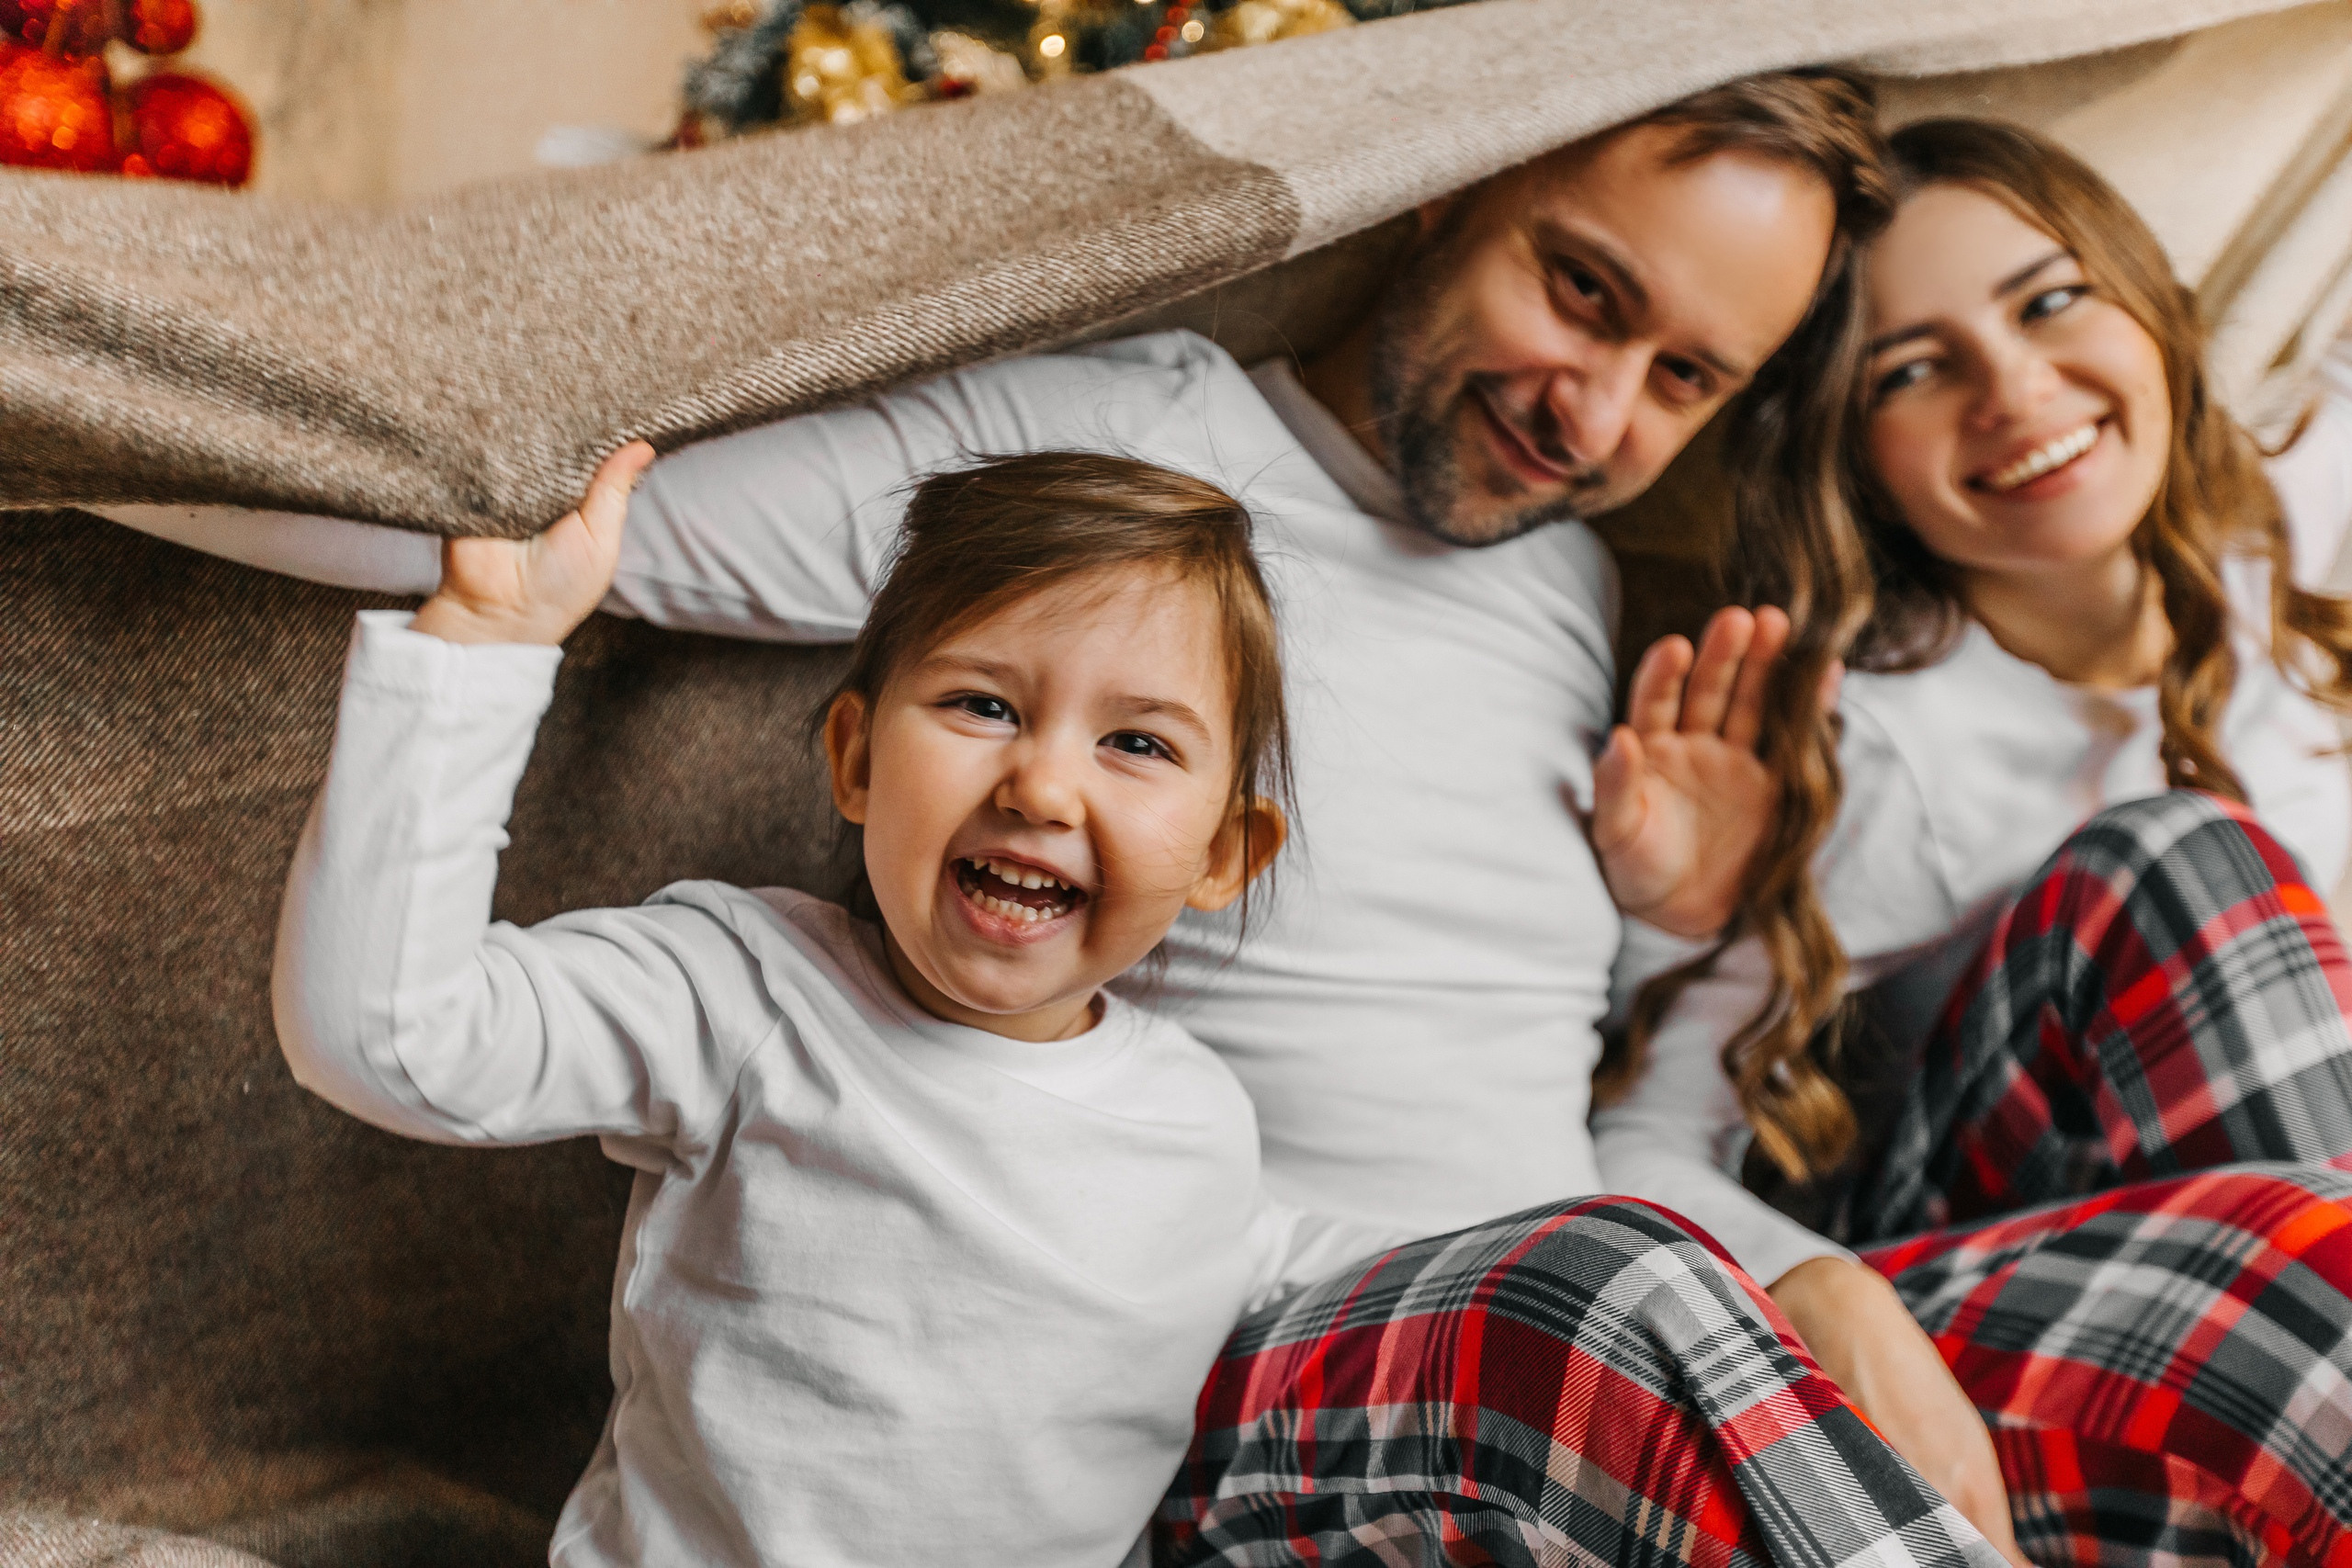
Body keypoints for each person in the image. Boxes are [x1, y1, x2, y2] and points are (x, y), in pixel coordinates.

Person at [130, 74, 2003, 1568]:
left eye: (1684, 379)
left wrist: (1678, 933)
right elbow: (536, 518)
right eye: (1581, 292)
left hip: (1562, 1307)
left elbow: (1527, 1105)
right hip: (1314, 1379)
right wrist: (92, 417)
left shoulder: (1570, 584)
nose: (1589, 414)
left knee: (2164, 1139)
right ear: (1458, 182)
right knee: (1630, 1293)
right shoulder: (1123, 488)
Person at [278, 445, 1419, 1565]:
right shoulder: (743, 994)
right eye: (983, 705)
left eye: (1135, 742)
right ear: (857, 760)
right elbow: (388, 1037)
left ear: (1223, 855)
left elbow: (1289, 1260)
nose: (1041, 787)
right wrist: (480, 645)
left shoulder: (1199, 1121)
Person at [1597, 117, 2352, 1568]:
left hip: (2283, 1306)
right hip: (1967, 1336)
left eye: (2051, 300)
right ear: (1857, 457)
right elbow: (1635, 1140)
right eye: (1913, 370)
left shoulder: (2297, 520)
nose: (2014, 390)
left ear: (2149, 302)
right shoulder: (1886, 745)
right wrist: (1821, 1290)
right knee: (2183, 865)